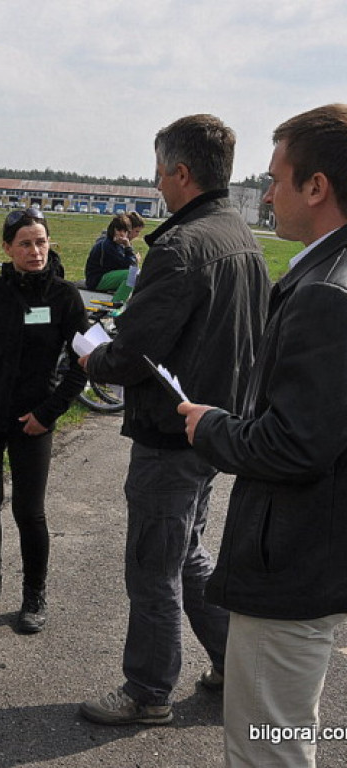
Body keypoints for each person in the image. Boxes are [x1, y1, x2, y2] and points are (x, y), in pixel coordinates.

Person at [77, 114, 270, 726]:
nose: (156, 183)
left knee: (151, 567)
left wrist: (89, 355)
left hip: (171, 433)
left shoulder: (181, 249)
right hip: (215, 430)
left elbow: (134, 353)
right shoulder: (242, 237)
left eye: (160, 171)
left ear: (182, 172)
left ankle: (147, 690)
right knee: (188, 552)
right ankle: (232, 661)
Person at [179, 104, 347, 768]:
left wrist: (212, 426)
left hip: (293, 566)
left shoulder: (324, 294)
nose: (268, 193)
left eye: (277, 178)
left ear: (317, 186)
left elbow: (296, 444)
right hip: (319, 557)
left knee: (267, 745)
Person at [0, 208, 88, 632]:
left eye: (41, 242)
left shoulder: (65, 297)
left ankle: (34, 594)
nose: (35, 251)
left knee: (29, 511)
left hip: (34, 418)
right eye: (26, 243)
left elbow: (83, 364)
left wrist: (48, 414)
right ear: (7, 248)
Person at [84, 213, 139, 292]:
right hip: (97, 280)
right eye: (119, 230)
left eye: (125, 231)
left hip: (106, 275)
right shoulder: (107, 245)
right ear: (112, 230)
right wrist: (128, 246)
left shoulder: (117, 244)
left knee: (136, 274)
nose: (122, 234)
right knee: (131, 274)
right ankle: (120, 300)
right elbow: (129, 266)